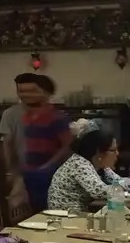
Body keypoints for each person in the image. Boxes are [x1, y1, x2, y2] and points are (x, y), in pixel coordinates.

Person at [18, 74, 72, 212]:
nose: (27, 95)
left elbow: (68, 146)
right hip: (29, 173)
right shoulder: (26, 116)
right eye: (22, 91)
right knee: (30, 212)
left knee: (47, 212)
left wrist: (47, 167)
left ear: (46, 93)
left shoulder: (57, 117)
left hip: (48, 175)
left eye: (33, 91)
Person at [46, 128, 120, 215]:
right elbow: (99, 192)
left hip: (80, 212)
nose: (117, 153)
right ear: (99, 152)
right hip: (66, 215)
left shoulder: (100, 165)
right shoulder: (79, 164)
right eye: (113, 150)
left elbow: (119, 181)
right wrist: (122, 190)